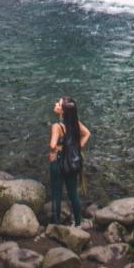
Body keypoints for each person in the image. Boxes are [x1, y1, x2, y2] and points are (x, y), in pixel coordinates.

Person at [49, 95, 90, 226]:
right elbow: (87, 133)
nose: (56, 104)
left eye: (58, 104)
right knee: (73, 194)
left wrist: (57, 150)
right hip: (73, 162)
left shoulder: (57, 126)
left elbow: (52, 145)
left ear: (62, 111)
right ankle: (78, 223)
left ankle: (57, 225)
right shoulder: (75, 122)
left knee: (57, 195)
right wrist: (76, 148)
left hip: (58, 163)